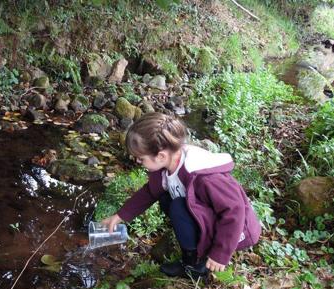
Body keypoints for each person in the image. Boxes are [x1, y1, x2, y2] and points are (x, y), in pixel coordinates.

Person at [101, 113, 261, 278]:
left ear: (161, 155)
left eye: (141, 159)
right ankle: (193, 250)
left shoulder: (206, 178)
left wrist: (220, 253)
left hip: (237, 231)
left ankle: (195, 266)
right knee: (165, 198)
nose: (137, 162)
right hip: (207, 215)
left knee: (177, 206)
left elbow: (234, 211)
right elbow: (149, 192)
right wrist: (120, 216)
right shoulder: (168, 164)